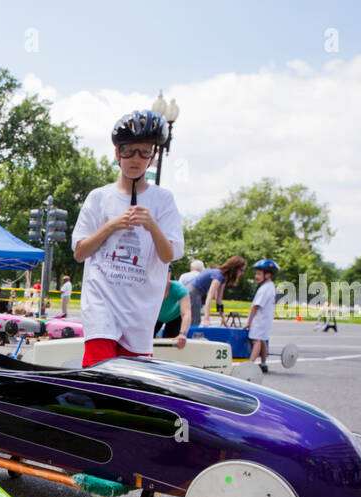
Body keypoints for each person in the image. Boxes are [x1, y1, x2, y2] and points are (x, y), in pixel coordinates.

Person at [72, 110, 183, 366]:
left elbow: (169, 255)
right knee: (99, 379)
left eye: (144, 152)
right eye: (129, 151)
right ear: (117, 154)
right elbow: (79, 252)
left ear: (153, 157)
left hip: (140, 312)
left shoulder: (163, 200)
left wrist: (152, 225)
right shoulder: (99, 198)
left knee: (132, 389)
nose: (136, 159)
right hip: (102, 305)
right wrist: (110, 226)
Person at [186, 256, 246, 327]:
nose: (242, 273)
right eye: (241, 270)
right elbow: (210, 296)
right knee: (195, 320)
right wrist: (206, 318)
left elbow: (219, 301)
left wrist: (223, 319)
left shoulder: (224, 277)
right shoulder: (218, 275)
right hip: (193, 291)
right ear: (234, 268)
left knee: (195, 318)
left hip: (198, 293)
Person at [246, 259, 278, 372]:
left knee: (256, 341)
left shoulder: (265, 288)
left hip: (259, 320)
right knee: (263, 339)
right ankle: (263, 363)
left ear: (268, 274)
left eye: (259, 274)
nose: (256, 276)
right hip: (266, 320)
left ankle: (250, 364)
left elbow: (256, 306)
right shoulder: (270, 286)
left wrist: (248, 322)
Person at [153, 277, 190, 347]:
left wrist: (183, 334)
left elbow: (186, 313)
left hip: (174, 317)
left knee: (171, 344)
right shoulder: (149, 286)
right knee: (146, 340)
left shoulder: (178, 288)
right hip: (155, 316)